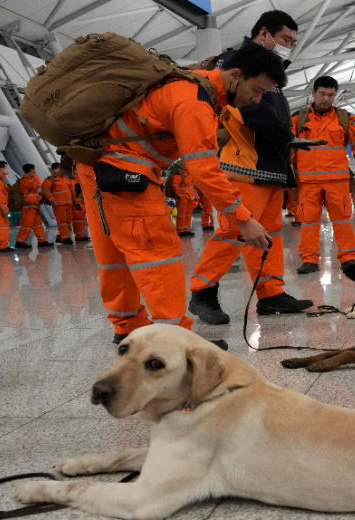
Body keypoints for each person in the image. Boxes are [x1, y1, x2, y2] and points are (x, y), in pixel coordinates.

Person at [74, 43, 280, 342]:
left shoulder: (189, 84)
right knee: (158, 253)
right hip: (126, 171)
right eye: (257, 90)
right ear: (236, 75)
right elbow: (203, 170)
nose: (257, 99)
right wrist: (243, 217)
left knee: (114, 255)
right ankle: (177, 340)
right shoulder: (194, 101)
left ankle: (128, 328)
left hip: (96, 168)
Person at [189, 10, 313, 324]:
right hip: (246, 164)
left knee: (269, 234)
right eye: (285, 39)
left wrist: (287, 141)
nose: (289, 46)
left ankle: (271, 294)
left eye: (293, 42)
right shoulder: (237, 62)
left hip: (270, 167)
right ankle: (202, 291)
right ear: (263, 34)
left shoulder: (270, 73)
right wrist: (285, 134)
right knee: (234, 230)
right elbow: (246, 108)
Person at [291, 75, 355, 274]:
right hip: (308, 181)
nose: (326, 99)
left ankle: (348, 258)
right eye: (322, 94)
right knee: (308, 222)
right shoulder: (297, 119)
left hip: (337, 181)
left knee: (343, 220)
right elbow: (288, 147)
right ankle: (309, 260)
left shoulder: (346, 119)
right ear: (313, 93)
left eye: (330, 95)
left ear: (335, 95)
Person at [14, 164, 52, 249]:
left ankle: (41, 241)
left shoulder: (27, 179)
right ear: (31, 170)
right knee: (27, 225)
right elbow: (37, 184)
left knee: (38, 224)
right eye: (34, 169)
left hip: (34, 206)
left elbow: (35, 186)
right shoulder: (24, 180)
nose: (35, 171)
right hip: (28, 207)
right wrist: (35, 177)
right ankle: (19, 241)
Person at [42, 162, 74, 245]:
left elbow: (71, 190)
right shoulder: (50, 180)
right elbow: (45, 191)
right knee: (62, 222)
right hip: (59, 205)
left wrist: (75, 200)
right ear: (54, 170)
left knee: (68, 221)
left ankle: (61, 236)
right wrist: (53, 200)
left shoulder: (66, 178)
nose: (60, 170)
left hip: (69, 204)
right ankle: (65, 238)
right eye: (58, 168)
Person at [171, 170, 198, 236]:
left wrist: (195, 196)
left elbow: (193, 187)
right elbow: (175, 186)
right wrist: (180, 195)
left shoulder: (190, 175)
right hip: (183, 198)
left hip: (190, 198)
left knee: (188, 215)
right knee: (181, 215)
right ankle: (180, 231)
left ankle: (187, 230)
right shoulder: (179, 175)